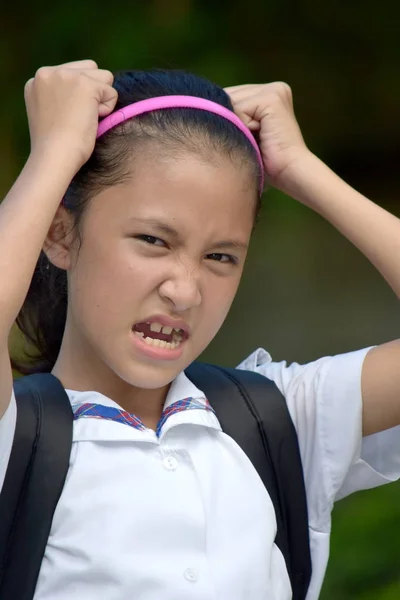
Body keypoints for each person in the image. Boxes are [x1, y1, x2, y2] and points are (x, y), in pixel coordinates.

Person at [0, 59, 399, 600]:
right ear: (60, 234)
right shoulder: (15, 438)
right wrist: (51, 157)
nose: (184, 291)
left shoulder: (274, 421)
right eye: (153, 241)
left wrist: (305, 170)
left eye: (220, 255)